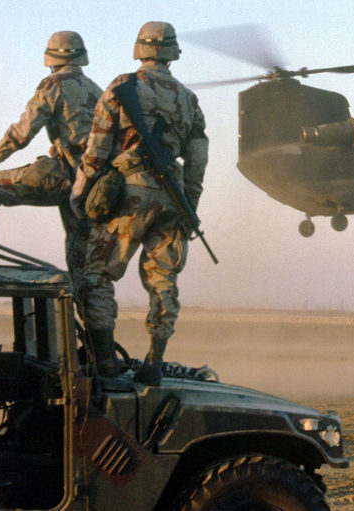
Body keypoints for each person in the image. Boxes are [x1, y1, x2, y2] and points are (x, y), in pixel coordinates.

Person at [71, 21, 209, 384]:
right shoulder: (188, 99)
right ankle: (155, 363)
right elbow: (198, 158)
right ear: (172, 52)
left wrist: (81, 190)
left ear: (140, 49)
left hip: (130, 193)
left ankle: (105, 363)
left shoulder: (123, 86)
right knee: (163, 277)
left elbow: (98, 145)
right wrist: (190, 205)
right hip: (173, 196)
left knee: (97, 272)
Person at [0, 31, 102, 268]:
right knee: (82, 263)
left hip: (64, 176)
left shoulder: (54, 84)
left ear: (51, 59)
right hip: (91, 186)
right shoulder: (98, 91)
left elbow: (21, 134)